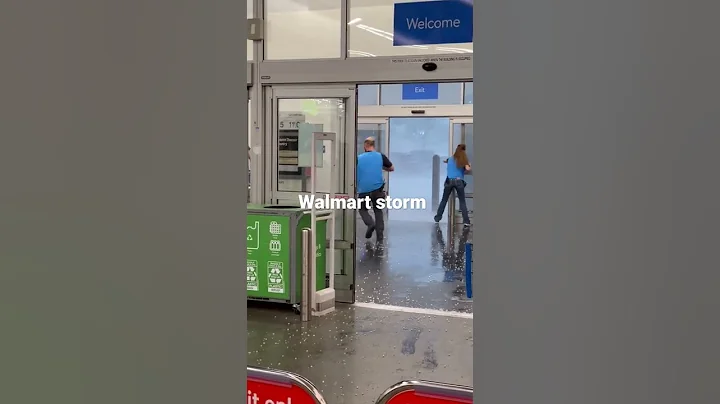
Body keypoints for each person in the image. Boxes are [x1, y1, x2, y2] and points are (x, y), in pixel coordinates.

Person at [356, 137, 394, 247]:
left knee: (362, 209)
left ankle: (370, 223)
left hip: (363, 189)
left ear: (365, 146)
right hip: (378, 189)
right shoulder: (380, 156)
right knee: (378, 211)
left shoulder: (359, 158)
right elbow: (392, 168)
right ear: (374, 145)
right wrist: (382, 168)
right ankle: (380, 238)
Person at [434, 144, 471, 226]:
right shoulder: (463, 159)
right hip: (458, 181)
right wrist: (468, 164)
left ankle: (437, 217)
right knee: (462, 201)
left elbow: (447, 162)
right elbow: (468, 169)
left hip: (449, 181)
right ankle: (466, 221)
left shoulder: (450, 159)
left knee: (444, 200)